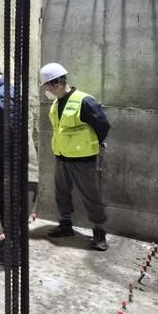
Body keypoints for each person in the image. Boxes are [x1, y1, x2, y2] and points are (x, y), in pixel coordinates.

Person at [40, 62, 110, 251]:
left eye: (47, 86)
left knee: (91, 195)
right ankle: (65, 225)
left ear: (56, 83)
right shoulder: (56, 103)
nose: (46, 90)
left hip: (83, 159)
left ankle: (99, 231)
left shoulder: (84, 101)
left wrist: (92, 144)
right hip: (62, 156)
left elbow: (103, 125)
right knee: (61, 192)